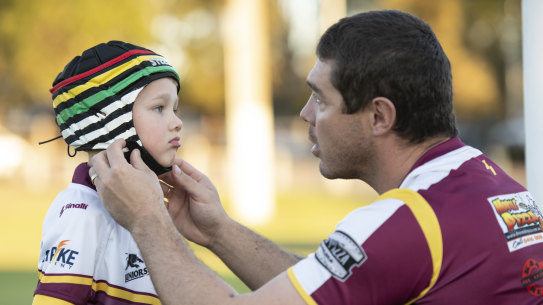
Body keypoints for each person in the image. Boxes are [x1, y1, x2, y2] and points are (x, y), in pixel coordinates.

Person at [90, 10, 543, 305]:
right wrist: (219, 231)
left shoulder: (409, 223)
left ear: (379, 116)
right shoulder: (487, 181)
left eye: (320, 100)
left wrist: (147, 220)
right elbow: (337, 288)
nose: (305, 114)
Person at [33, 40, 182, 304]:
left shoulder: (155, 203)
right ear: (109, 121)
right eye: (160, 108)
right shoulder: (81, 213)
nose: (177, 122)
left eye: (175, 109)